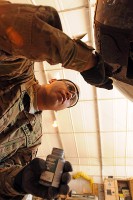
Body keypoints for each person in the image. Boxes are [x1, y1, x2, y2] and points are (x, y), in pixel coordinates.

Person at [0, 1, 128, 199]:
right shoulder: (20, 72)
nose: (70, 94)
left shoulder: (33, 141)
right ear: (53, 80)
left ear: (62, 109)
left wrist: (18, 181)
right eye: (69, 87)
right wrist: (86, 62)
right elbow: (11, 22)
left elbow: (4, 178)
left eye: (73, 98)